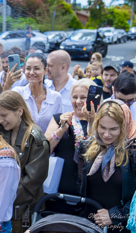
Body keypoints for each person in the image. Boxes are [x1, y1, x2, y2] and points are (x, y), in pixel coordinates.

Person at [80, 100, 136, 232]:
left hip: (122, 226)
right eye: (102, 127)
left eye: (113, 129)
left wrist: (115, 215)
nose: (106, 134)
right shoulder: (88, 145)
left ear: (124, 126)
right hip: (89, 223)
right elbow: (80, 185)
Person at [0, 91, 49, 232]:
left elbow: (32, 182)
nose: (0, 120)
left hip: (21, 212)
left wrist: (2, 198)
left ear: (19, 111)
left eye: (4, 115)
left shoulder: (35, 139)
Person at [44, 78, 97, 214]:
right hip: (58, 192)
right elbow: (44, 150)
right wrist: (61, 129)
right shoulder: (59, 119)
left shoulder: (101, 123)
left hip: (90, 194)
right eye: (75, 97)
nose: (78, 101)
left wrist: (92, 122)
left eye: (83, 97)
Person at [12, 53, 63, 133]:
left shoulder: (56, 97)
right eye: (28, 68)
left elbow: (58, 127)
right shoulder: (18, 93)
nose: (31, 72)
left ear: (45, 70)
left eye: (36, 68)